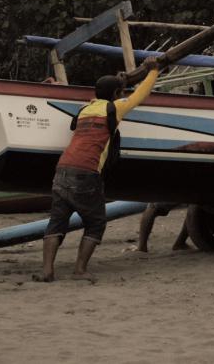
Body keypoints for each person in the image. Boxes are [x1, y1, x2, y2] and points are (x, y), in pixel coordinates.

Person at [35, 56, 162, 282]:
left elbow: (91, 107)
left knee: (57, 221)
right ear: (115, 95)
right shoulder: (115, 108)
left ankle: (47, 271)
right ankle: (79, 270)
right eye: (120, 93)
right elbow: (139, 96)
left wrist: (56, 88)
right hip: (86, 172)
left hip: (62, 169)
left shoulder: (85, 109)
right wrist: (153, 70)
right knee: (96, 223)